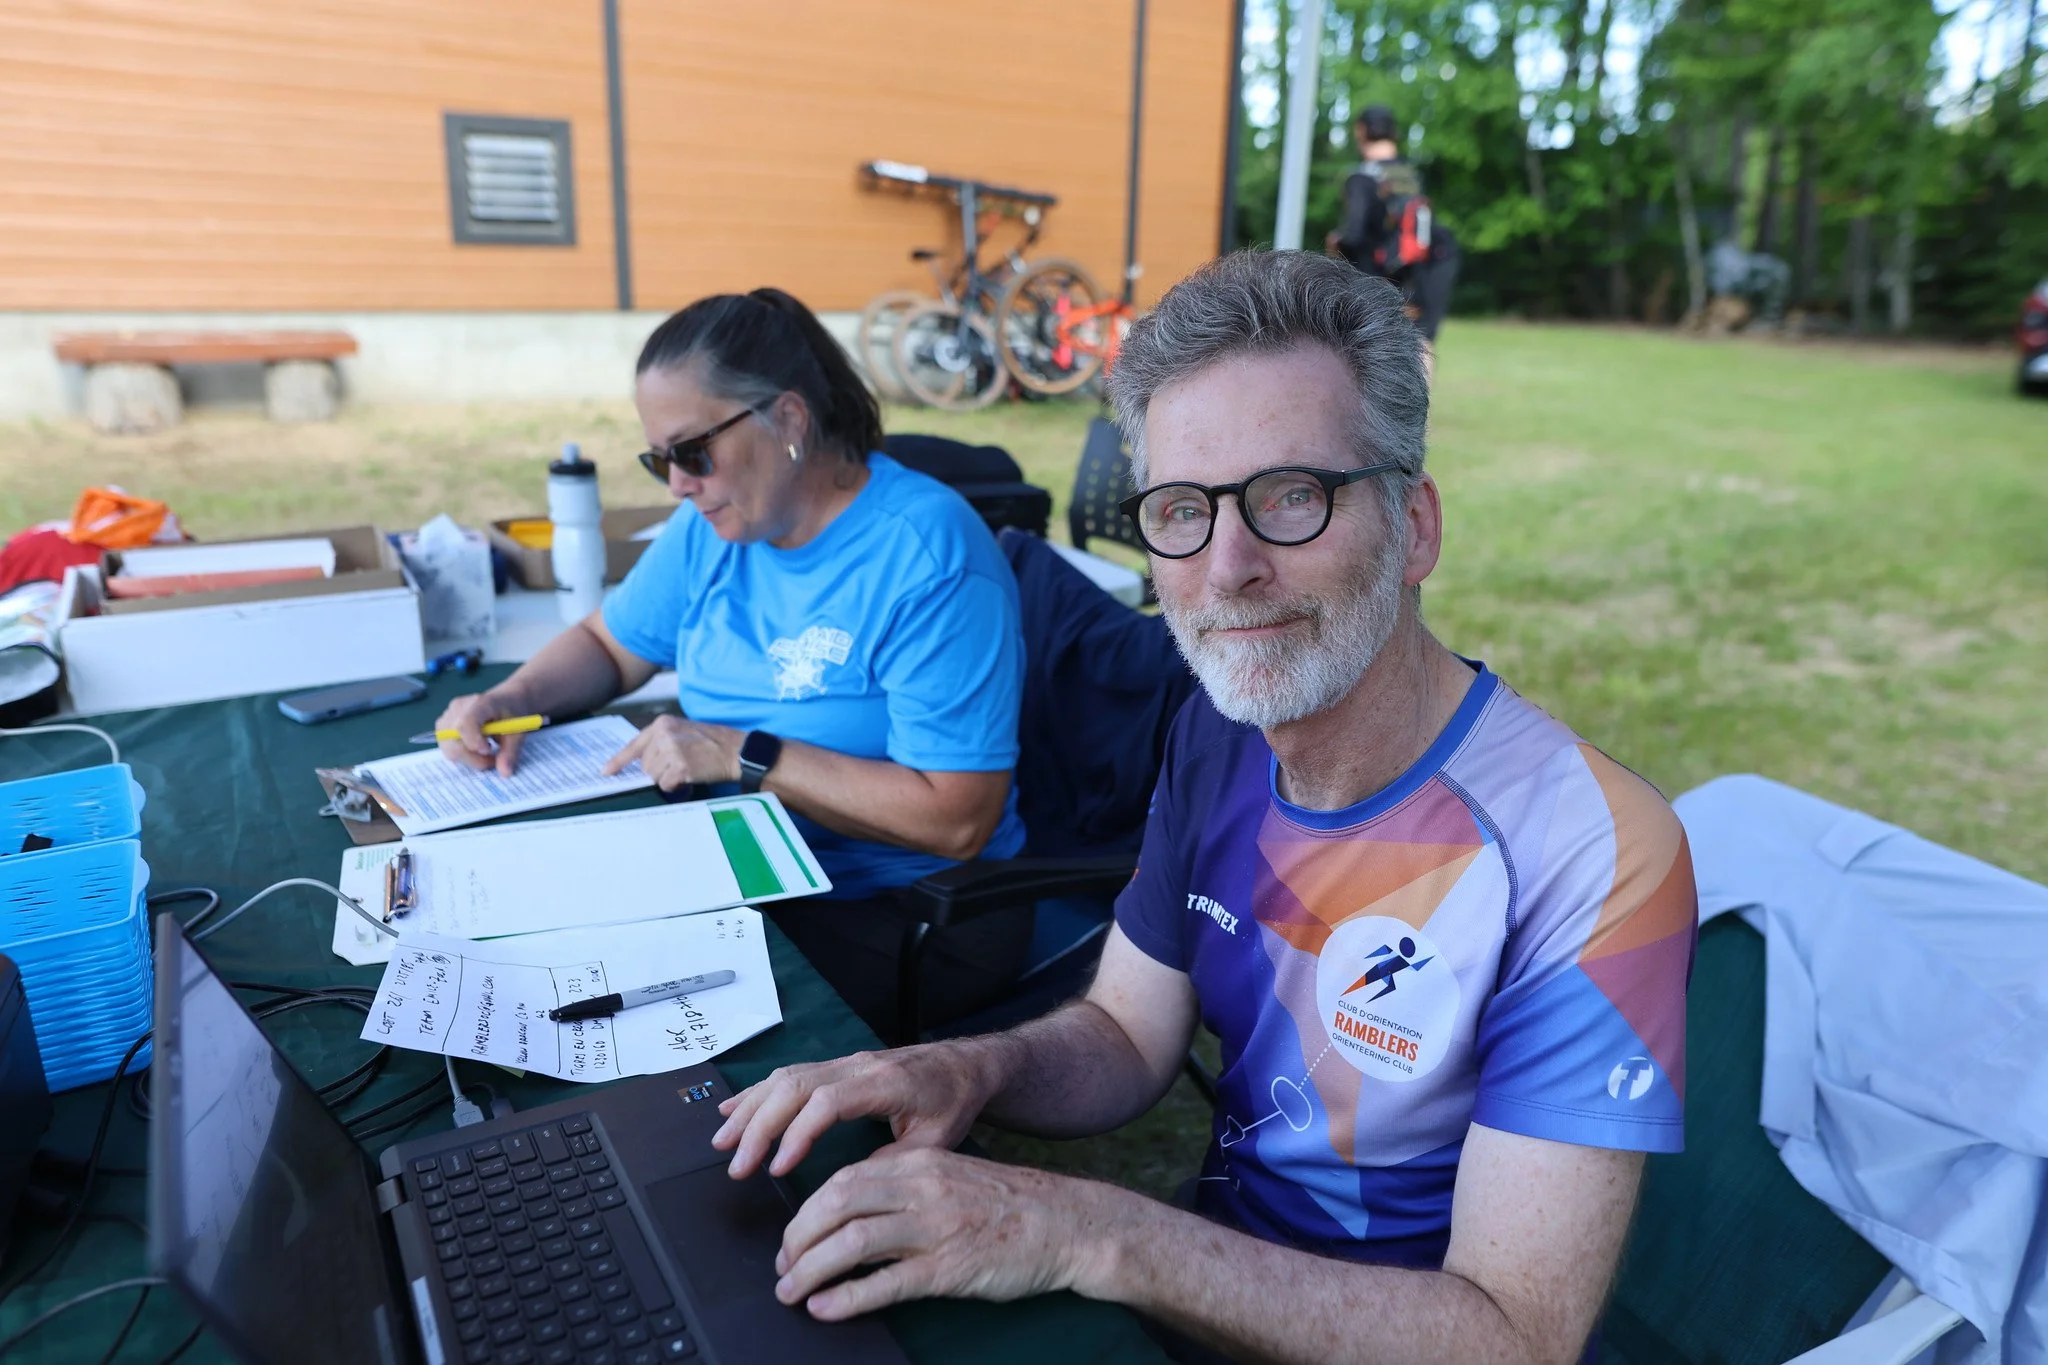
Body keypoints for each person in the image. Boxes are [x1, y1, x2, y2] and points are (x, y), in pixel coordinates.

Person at [712, 252, 1697, 1365]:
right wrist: (967, 1069)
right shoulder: (1218, 732)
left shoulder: (1593, 849)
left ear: (1414, 527)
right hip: (1205, 1296)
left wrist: (1091, 1230)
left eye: (1293, 495)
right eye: (1181, 509)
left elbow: (1515, 1338)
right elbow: (1127, 1032)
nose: (1228, 568)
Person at [434, 288, 1030, 1034]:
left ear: (789, 420)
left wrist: (741, 753)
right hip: (745, 867)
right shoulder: (713, 526)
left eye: (692, 452)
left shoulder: (928, 557)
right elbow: (609, 644)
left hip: (901, 910)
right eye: (659, 459)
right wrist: (514, 697)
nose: (678, 483)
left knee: (628, 1014)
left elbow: (955, 819)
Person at [1327, 104, 1461, 366]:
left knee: (1369, 345)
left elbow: (1354, 234)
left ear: (1362, 131)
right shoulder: (1410, 174)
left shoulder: (1361, 177)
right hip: (1427, 266)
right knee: (1420, 344)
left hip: (1384, 276)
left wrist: (1335, 243)